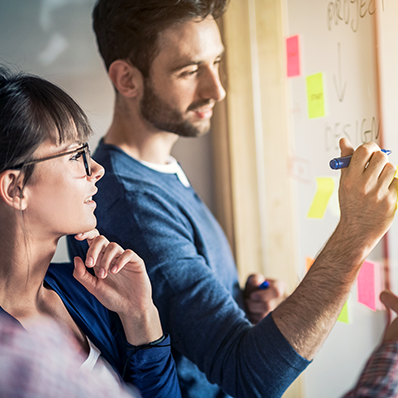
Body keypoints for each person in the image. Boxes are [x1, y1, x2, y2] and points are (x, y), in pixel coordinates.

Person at [67, 1, 398, 397]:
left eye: (217, 62)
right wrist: (354, 235)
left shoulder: (155, 171)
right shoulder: (132, 204)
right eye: (189, 71)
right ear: (127, 79)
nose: (217, 89)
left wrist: (242, 307)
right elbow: (248, 377)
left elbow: (194, 324)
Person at [0, 68, 181, 398]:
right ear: (16, 187)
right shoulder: (7, 355)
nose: (96, 170)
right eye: (75, 156)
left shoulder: (86, 289)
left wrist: (140, 315)